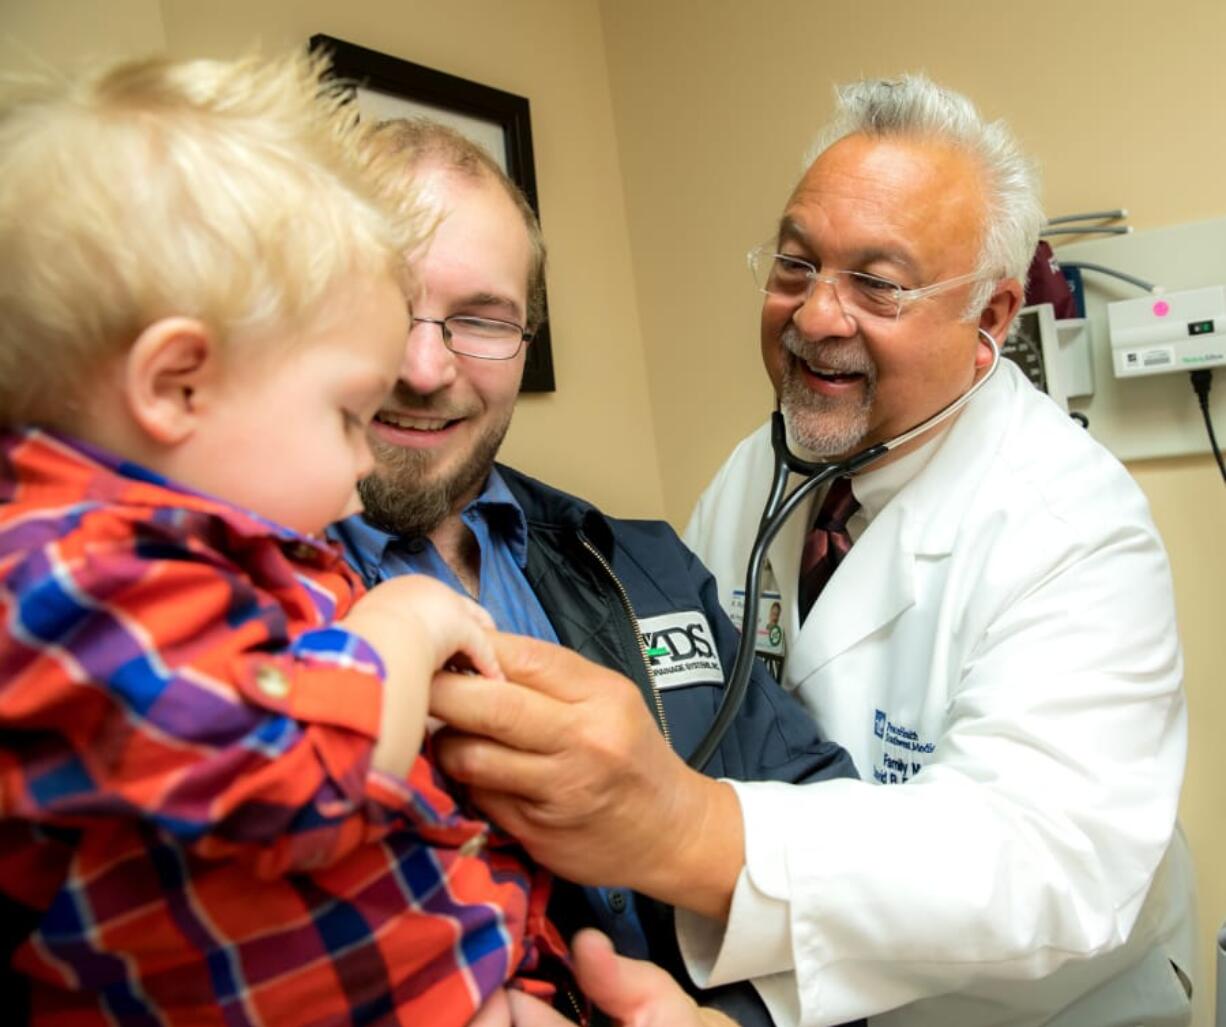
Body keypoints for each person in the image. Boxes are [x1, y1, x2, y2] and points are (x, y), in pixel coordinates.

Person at [430, 76, 1197, 1027]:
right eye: (795, 266)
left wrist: (688, 829)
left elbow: (1047, 865)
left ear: (992, 319)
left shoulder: (1072, 524)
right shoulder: (760, 472)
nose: (817, 315)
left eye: (878, 283)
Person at [0, 51, 579, 1025]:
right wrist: (398, 623)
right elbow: (305, 776)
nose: (359, 467)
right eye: (346, 414)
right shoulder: (72, 577)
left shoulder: (205, 560)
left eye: (481, 320)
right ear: (178, 383)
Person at [329, 117, 857, 1025]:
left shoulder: (639, 562)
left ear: (526, 337)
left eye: (481, 320)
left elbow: (828, 826)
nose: (425, 367)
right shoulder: (214, 601)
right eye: (377, 306)